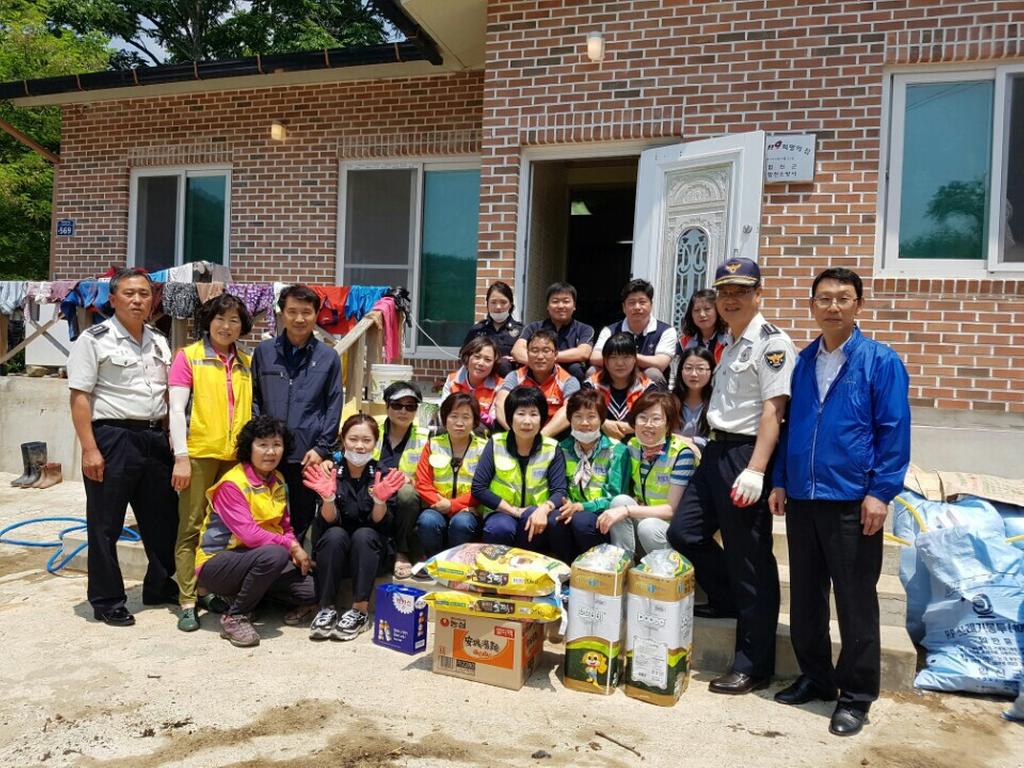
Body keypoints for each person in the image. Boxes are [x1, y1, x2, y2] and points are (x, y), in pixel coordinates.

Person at [768, 267, 910, 737]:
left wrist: (880, 492)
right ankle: (816, 676)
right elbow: (791, 427)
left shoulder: (880, 361)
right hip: (805, 498)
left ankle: (856, 695)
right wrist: (782, 480)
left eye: (843, 298)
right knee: (807, 597)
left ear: (858, 306)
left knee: (855, 602)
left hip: (853, 500)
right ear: (811, 306)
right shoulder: (804, 361)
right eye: (824, 298)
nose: (832, 306)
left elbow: (893, 430)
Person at [667, 257, 796, 695]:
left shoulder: (771, 343)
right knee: (684, 532)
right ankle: (724, 598)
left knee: (751, 559)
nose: (731, 299)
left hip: (744, 454)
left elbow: (773, 410)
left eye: (742, 291)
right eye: (725, 292)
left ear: (759, 294)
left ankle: (752, 663)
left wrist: (758, 469)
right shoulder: (729, 340)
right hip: (715, 449)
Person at [67, 267, 179, 627]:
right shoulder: (94, 340)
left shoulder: (160, 340)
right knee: (105, 523)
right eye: (129, 293)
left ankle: (159, 585)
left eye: (144, 294)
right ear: (113, 299)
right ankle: (107, 598)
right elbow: (80, 397)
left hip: (154, 438)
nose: (137, 299)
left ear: (152, 300)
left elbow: (166, 398)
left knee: (162, 519)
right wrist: (89, 449)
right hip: (113, 438)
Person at [168, 294, 253, 632]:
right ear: (208, 321)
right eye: (220, 318)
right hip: (199, 454)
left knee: (226, 530)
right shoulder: (187, 357)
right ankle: (187, 599)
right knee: (190, 526)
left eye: (234, 320)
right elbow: (175, 410)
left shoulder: (246, 362)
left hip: (235, 458)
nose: (226, 326)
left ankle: (208, 590)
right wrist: (181, 457)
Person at [194, 416, 315, 647]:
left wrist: (296, 551)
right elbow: (249, 534)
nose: (270, 452)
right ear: (249, 447)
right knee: (275, 554)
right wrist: (291, 546)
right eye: (262, 444)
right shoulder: (232, 483)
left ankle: (250, 597)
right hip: (218, 563)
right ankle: (235, 616)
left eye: (276, 445)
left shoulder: (278, 479)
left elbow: (285, 526)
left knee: (310, 590)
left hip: (259, 560)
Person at [251, 284, 343, 544]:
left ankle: (297, 574)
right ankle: (270, 568)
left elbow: (333, 404)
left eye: (306, 312)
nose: (299, 318)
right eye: (292, 311)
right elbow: (254, 398)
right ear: (281, 313)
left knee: (302, 516)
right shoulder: (264, 352)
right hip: (270, 452)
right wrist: (259, 440)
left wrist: (323, 448)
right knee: (266, 514)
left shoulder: (328, 357)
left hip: (307, 454)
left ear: (316, 315)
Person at [303, 414, 405, 641]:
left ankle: (359, 611)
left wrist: (380, 501)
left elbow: (381, 523)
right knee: (334, 535)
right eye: (353, 439)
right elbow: (327, 521)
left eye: (367, 440)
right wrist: (328, 498)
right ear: (343, 440)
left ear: (375, 443)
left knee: (364, 534)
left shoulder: (383, 475)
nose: (359, 446)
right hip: (336, 553)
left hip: (370, 555)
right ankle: (326, 608)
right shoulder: (331, 472)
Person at [471, 387, 568, 556]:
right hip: (501, 512)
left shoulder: (552, 448)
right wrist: (514, 511)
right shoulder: (495, 443)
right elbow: (479, 487)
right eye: (521, 413)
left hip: (536, 513)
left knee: (546, 520)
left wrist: (544, 509)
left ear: (542, 419)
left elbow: (560, 491)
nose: (527, 421)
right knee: (499, 528)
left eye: (534, 414)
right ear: (510, 417)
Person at [599, 391, 694, 561]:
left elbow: (671, 510)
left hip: (670, 528)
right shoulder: (634, 446)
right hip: (646, 517)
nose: (648, 425)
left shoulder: (681, 454)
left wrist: (627, 511)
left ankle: (665, 573)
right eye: (642, 418)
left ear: (668, 424)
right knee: (619, 501)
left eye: (656, 419)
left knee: (646, 525)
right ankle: (623, 565)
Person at [557, 389, 632, 562]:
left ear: (601, 419)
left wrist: (582, 507)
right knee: (556, 521)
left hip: (602, 515)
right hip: (571, 509)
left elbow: (615, 497)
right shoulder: (561, 449)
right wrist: (567, 505)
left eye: (591, 416)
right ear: (569, 420)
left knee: (581, 521)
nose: (584, 423)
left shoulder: (617, 450)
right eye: (578, 416)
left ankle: (598, 568)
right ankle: (568, 571)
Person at [415, 393, 487, 557]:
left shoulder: (483, 448)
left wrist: (453, 505)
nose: (459, 423)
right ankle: (432, 560)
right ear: (445, 418)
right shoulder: (433, 444)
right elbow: (422, 483)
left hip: (469, 510)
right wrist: (443, 504)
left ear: (475, 421)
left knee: (462, 524)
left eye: (466, 417)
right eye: (453, 416)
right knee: (427, 521)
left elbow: (483, 487)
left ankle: (458, 564)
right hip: (436, 507)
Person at [374, 380, 430, 579]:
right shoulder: (372, 431)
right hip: (374, 492)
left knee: (406, 494)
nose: (403, 411)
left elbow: (430, 476)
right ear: (387, 405)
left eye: (410, 406)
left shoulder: (426, 437)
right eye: (397, 405)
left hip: (409, 497)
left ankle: (402, 551)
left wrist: (411, 482)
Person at [590, 279, 678, 387]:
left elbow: (660, 363)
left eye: (642, 302)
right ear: (624, 307)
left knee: (653, 373)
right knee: (592, 371)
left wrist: (626, 356)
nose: (637, 307)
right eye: (631, 303)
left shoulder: (666, 331)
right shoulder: (610, 330)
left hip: (647, 385)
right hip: (615, 380)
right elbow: (595, 357)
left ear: (651, 305)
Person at [494, 329, 580, 438]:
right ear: (527, 354)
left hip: (552, 435)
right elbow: (500, 403)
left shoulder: (569, 381)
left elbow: (570, 409)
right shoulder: (515, 377)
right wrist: (514, 434)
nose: (540, 356)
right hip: (518, 432)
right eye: (534, 350)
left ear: (556, 354)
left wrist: (540, 438)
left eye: (546, 350)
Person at [512, 281, 594, 382]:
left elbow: (583, 353)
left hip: (568, 377)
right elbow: (517, 350)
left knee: (576, 368)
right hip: (536, 376)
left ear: (574, 306)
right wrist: (539, 363)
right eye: (555, 301)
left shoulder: (585, 329)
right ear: (547, 306)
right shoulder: (534, 327)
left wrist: (548, 359)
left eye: (566, 301)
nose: (560, 306)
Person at [584, 332, 654, 440]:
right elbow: (580, 414)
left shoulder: (648, 387)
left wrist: (608, 424)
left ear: (635, 359)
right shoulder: (591, 385)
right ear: (605, 361)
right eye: (613, 357)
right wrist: (602, 423)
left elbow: (655, 420)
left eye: (626, 357)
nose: (620, 363)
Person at [462, 281, 523, 377]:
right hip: (480, 385)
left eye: (503, 302)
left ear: (510, 304)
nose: (498, 307)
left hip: (509, 386)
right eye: (493, 302)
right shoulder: (476, 330)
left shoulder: (521, 331)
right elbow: (464, 357)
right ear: (487, 304)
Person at [440, 336, 503, 430]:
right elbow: (444, 412)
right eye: (477, 357)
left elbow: (494, 421)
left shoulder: (500, 386)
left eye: (488, 360)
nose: (481, 363)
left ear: (494, 363)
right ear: (467, 358)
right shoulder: (452, 380)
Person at [671, 347, 715, 449]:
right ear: (680, 370)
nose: (694, 374)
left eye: (700, 369)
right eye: (688, 368)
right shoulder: (669, 401)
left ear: (711, 371)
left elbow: (717, 439)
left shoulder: (717, 403)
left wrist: (691, 441)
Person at [678, 288, 728, 364]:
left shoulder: (729, 340)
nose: (702, 314)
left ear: (717, 311)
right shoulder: (684, 343)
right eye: (696, 310)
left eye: (707, 309)